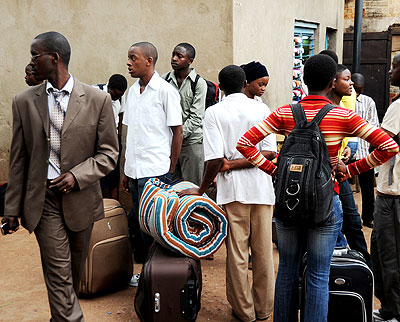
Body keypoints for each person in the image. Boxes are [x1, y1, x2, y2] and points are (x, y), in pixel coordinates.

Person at [237, 54, 398, 322]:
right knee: (318, 275)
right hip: (326, 201)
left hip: (289, 201)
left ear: (304, 80)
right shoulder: (343, 115)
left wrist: (276, 172)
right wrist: (351, 170)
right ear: (332, 82)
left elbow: (245, 144)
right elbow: (388, 146)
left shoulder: (285, 112)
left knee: (287, 270)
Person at [1, 31, 118, 321]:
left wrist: (77, 176)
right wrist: (12, 208)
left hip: (82, 201)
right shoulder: (24, 101)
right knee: (59, 276)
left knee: (71, 279)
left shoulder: (97, 99)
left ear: (54, 58)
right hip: (44, 202)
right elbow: (18, 159)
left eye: (34, 55)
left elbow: (108, 154)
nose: (30, 62)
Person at [179, 65, 276, 322]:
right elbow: (269, 152)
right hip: (262, 189)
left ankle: (244, 312)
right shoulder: (262, 109)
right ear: (245, 83)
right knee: (264, 252)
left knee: (237, 253)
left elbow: (214, 161)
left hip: (233, 191)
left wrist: (201, 189)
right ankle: (264, 310)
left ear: (219, 87)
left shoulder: (214, 112)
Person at [122, 41, 183, 264]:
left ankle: (156, 272)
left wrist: (171, 166)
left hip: (156, 169)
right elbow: (131, 134)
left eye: (133, 58)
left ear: (149, 61)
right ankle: (146, 271)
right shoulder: (132, 92)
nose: (128, 63)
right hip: (135, 169)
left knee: (154, 224)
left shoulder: (166, 91)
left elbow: (178, 132)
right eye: (128, 58)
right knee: (138, 222)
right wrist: (126, 170)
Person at [327, 65, 372, 265]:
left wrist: (351, 146)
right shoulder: (328, 110)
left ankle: (363, 265)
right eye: (346, 79)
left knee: (350, 220)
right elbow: (386, 144)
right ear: (332, 82)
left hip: (340, 167)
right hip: (332, 172)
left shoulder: (345, 103)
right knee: (343, 220)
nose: (351, 82)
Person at [371, 53, 400, 322]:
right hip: (392, 190)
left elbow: (381, 144)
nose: (390, 72)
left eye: (395, 67)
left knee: (388, 255)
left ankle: (394, 311)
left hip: (393, 193)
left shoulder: (397, 107)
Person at [162, 43, 207, 186]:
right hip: (168, 143)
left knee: (192, 187)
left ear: (190, 61)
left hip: (191, 143)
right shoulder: (164, 80)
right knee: (170, 186)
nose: (174, 59)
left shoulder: (199, 83)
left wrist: (178, 135)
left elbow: (196, 117)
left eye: (179, 56)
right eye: (173, 54)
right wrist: (172, 138)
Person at [93, 74, 128, 200]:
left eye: (120, 96)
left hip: (114, 139)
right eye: (115, 95)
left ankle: (114, 207)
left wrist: (118, 137)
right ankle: (103, 207)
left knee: (114, 175)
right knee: (100, 174)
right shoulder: (96, 92)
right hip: (98, 140)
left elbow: (121, 115)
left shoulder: (120, 96)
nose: (117, 97)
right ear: (109, 88)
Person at [352, 72, 379, 229]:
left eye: (360, 90)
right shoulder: (341, 100)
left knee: (368, 188)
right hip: (347, 152)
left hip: (363, 152)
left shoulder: (368, 102)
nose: (357, 92)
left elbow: (373, 124)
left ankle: (368, 217)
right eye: (355, 88)